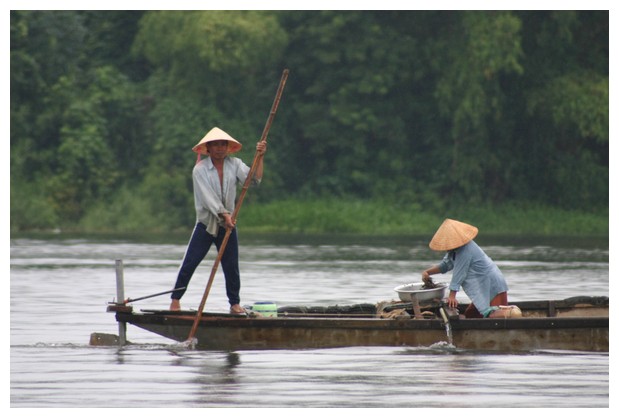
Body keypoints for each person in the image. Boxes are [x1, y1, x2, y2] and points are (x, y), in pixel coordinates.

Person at [169, 127, 267, 314]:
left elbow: (253, 180)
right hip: (207, 224)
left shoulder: (235, 164)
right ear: (208, 148)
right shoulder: (200, 170)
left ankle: (234, 303)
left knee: (231, 265)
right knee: (190, 262)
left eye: (223, 144)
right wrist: (225, 214)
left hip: (227, 226)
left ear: (228, 148)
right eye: (216, 145)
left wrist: (260, 156)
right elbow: (208, 199)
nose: (220, 148)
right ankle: (175, 300)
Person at [421, 218, 509, 318]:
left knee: (496, 317)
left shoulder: (465, 250)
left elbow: (460, 273)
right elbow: (446, 265)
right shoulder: (453, 251)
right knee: (470, 314)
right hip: (482, 285)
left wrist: (452, 296)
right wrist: (427, 272)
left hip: (492, 283)